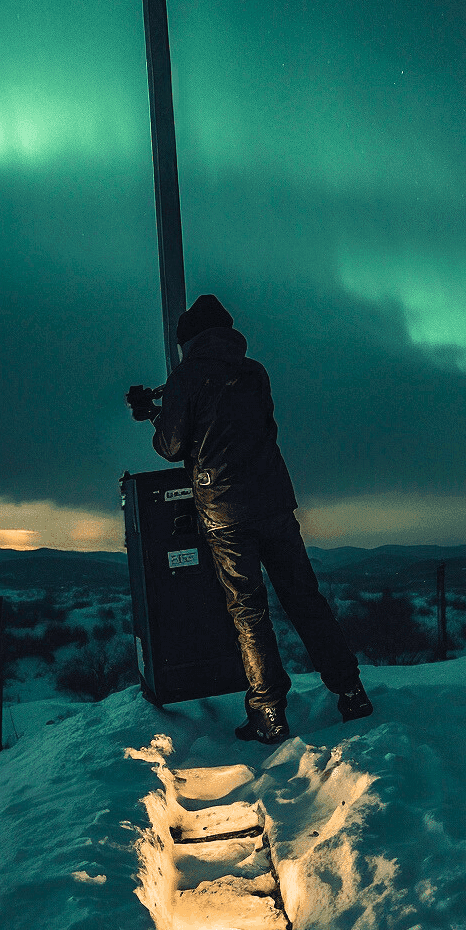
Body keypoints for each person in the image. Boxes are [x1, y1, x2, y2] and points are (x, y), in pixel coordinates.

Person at [126, 293, 373, 744]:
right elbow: (261, 431)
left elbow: (172, 446)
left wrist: (155, 418)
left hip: (225, 511)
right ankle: (352, 692)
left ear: (190, 340)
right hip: (275, 500)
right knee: (305, 599)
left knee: (249, 611)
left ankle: (269, 714)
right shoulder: (254, 372)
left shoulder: (187, 376)